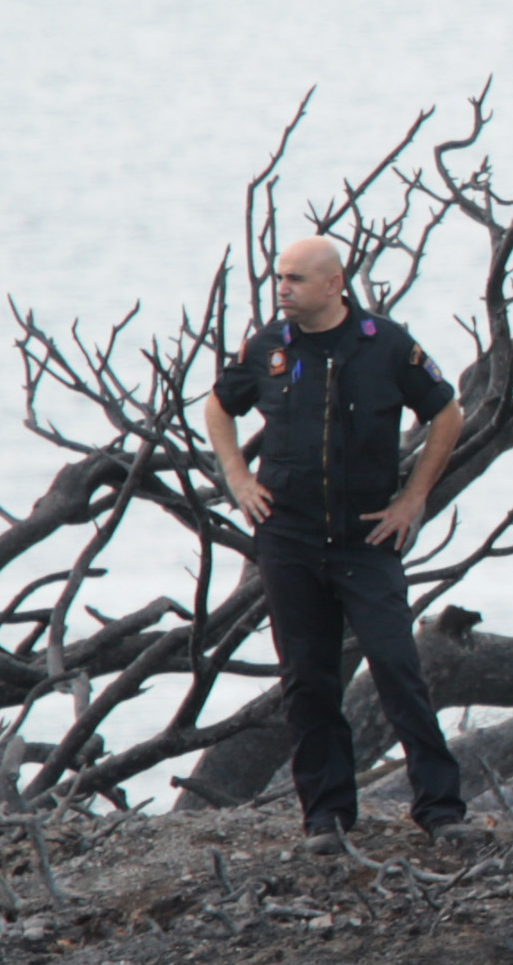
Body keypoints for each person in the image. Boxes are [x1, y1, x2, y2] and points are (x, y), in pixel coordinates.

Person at [202, 234, 476, 847]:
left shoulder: (386, 345)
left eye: (296, 279)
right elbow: (219, 408)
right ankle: (326, 816)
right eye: (280, 277)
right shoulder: (268, 347)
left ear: (333, 285)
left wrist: (414, 498)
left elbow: (448, 413)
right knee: (308, 679)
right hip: (289, 538)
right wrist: (239, 480)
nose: (283, 289)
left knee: (397, 665)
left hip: (364, 538)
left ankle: (440, 809)